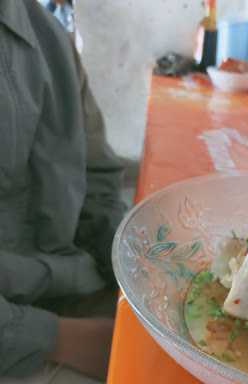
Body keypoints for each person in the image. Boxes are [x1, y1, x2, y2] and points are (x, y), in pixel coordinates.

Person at [0, 0, 126, 379]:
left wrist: (133, 276)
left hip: (73, 286)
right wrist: (66, 340)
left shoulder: (47, 33)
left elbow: (98, 178)